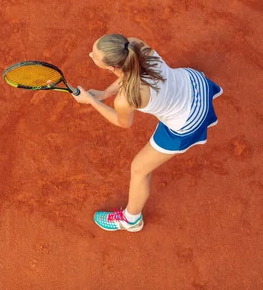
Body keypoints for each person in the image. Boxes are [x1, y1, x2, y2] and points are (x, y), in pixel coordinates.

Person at [71, 34, 222, 232]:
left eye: (94, 56)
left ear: (111, 68)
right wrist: (105, 93)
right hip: (196, 83)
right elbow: (128, 74)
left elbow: (121, 121)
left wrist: (92, 101)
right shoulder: (136, 45)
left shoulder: (127, 98)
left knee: (139, 169)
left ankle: (131, 221)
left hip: (190, 119)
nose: (91, 54)